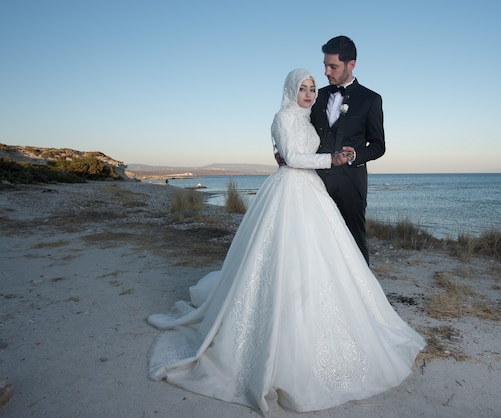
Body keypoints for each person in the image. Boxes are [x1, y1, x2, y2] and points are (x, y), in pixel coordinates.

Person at [147, 69, 424, 418]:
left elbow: (296, 146)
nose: (309, 93)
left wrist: (310, 154)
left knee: (323, 259)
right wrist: (331, 159)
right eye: (303, 88)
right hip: (289, 190)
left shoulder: (308, 118)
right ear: (291, 90)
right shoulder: (282, 116)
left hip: (312, 191)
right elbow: (292, 158)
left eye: (312, 88)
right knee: (282, 258)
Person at [311, 35, 385, 265]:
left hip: (351, 184)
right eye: (325, 65)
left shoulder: (371, 99)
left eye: (333, 66)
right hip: (315, 181)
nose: (326, 72)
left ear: (351, 64)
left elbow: (379, 145)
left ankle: (362, 297)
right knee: (316, 240)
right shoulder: (316, 96)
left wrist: (355, 155)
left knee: (354, 241)